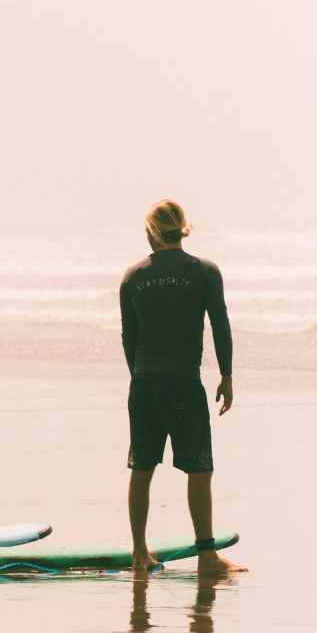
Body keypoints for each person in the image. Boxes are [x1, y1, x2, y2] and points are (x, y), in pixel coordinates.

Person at [119, 200, 244, 574]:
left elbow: (130, 337)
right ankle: (207, 556)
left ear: (150, 232)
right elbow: (220, 324)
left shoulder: (133, 276)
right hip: (185, 385)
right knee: (199, 468)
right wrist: (227, 375)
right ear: (182, 230)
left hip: (145, 384)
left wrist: (138, 376)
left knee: (142, 466)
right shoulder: (205, 272)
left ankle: (139, 553)